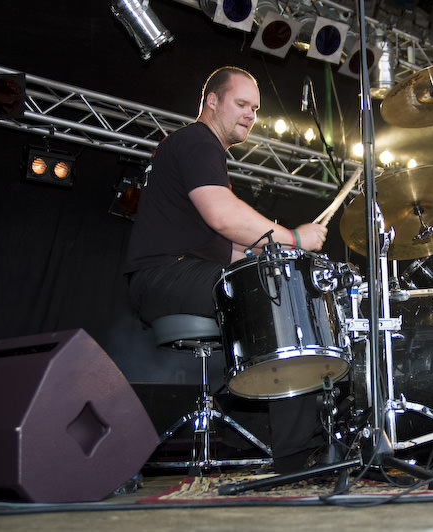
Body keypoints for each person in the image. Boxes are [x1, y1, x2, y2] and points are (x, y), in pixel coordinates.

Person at [124, 66, 329, 473]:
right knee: (280, 303)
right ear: (212, 101)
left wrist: (271, 256)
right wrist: (294, 238)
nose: (251, 114)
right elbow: (223, 216)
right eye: (242, 103)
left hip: (178, 275)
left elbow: (229, 247)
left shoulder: (200, 149)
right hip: (164, 278)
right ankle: (297, 456)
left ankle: (240, 434)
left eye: (255, 108)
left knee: (273, 286)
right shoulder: (198, 141)